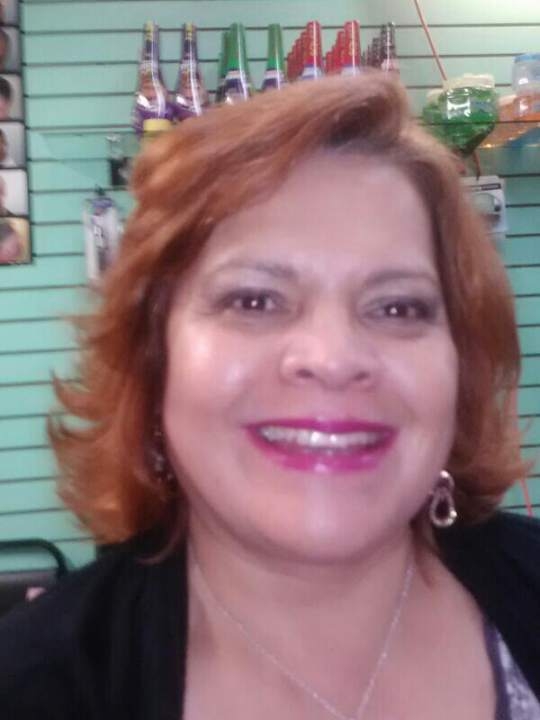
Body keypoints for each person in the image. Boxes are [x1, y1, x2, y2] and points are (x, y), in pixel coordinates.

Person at [0, 74, 538, 719]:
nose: (333, 358)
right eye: (254, 300)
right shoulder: (31, 687)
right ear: (153, 359)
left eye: (397, 307)